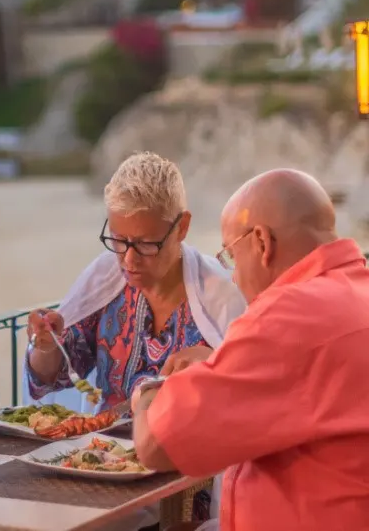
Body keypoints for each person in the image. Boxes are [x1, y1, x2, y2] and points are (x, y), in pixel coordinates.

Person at [132, 168, 369, 531]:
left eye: (230, 256)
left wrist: (148, 394)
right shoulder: (356, 292)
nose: (234, 277)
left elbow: (157, 444)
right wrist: (221, 362)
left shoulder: (288, 315)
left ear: (261, 242)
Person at [24, 152, 246, 530]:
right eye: (118, 240)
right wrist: (45, 347)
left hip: (186, 481)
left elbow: (250, 397)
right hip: (101, 466)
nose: (128, 260)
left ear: (182, 227)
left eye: (144, 244)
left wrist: (214, 366)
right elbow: (58, 373)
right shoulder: (104, 282)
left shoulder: (221, 298)